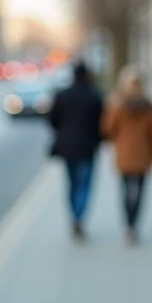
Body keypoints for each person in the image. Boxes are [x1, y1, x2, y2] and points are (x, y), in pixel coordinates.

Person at [100, 66, 152, 245]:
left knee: (125, 190)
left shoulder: (118, 105)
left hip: (124, 154)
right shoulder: (149, 106)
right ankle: (134, 225)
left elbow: (108, 129)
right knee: (140, 191)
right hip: (143, 155)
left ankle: (128, 225)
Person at [47, 61, 103, 240]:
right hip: (88, 147)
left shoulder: (62, 95)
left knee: (71, 184)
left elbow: (52, 119)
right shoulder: (95, 96)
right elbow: (103, 124)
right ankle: (79, 216)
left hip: (68, 147)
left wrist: (63, 132)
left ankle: (74, 215)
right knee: (84, 185)